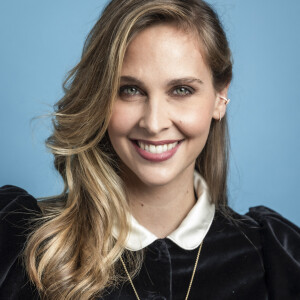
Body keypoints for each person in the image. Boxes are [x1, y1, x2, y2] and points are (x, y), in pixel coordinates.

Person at [0, 0, 299, 299]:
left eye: (181, 90)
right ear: (101, 97)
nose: (154, 124)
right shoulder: (20, 243)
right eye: (130, 90)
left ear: (221, 96)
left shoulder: (277, 256)